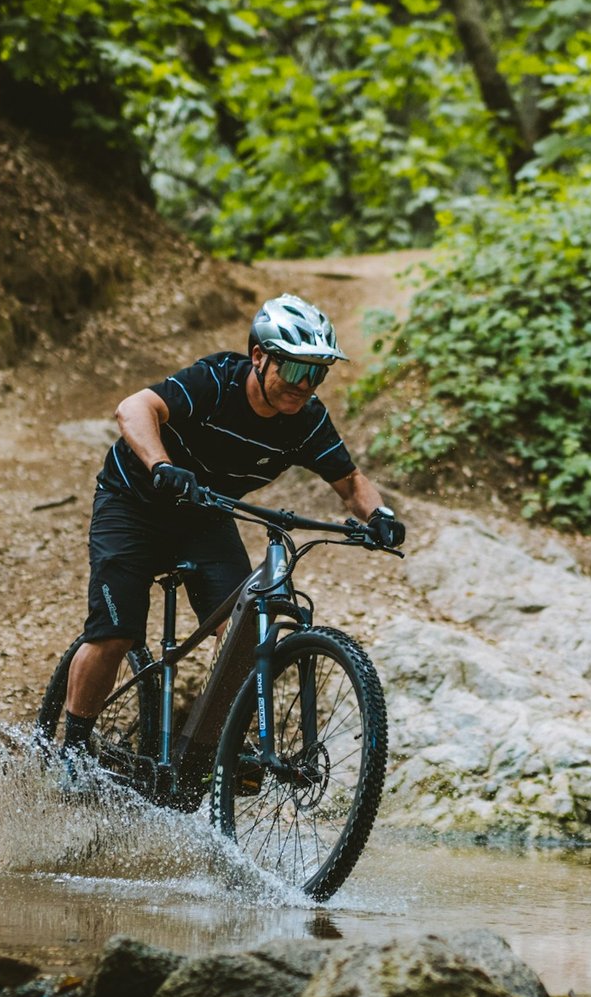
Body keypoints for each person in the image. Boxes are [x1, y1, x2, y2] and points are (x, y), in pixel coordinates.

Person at [58, 293, 404, 753]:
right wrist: (162, 466)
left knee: (244, 632)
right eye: (296, 369)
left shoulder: (305, 420)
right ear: (259, 357)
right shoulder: (215, 381)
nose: (304, 385)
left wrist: (379, 516)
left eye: (316, 373)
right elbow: (134, 408)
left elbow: (351, 482)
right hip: (134, 503)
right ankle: (71, 749)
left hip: (205, 516)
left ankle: (212, 752)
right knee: (116, 633)